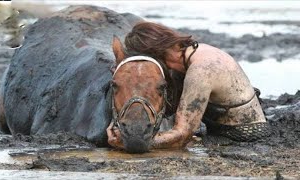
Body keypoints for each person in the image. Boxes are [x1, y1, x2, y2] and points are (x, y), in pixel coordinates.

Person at [107, 22, 270, 149]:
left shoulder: (201, 71)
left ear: (155, 52)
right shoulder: (192, 55)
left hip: (242, 135)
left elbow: (182, 135)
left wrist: (132, 141)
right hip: (222, 127)